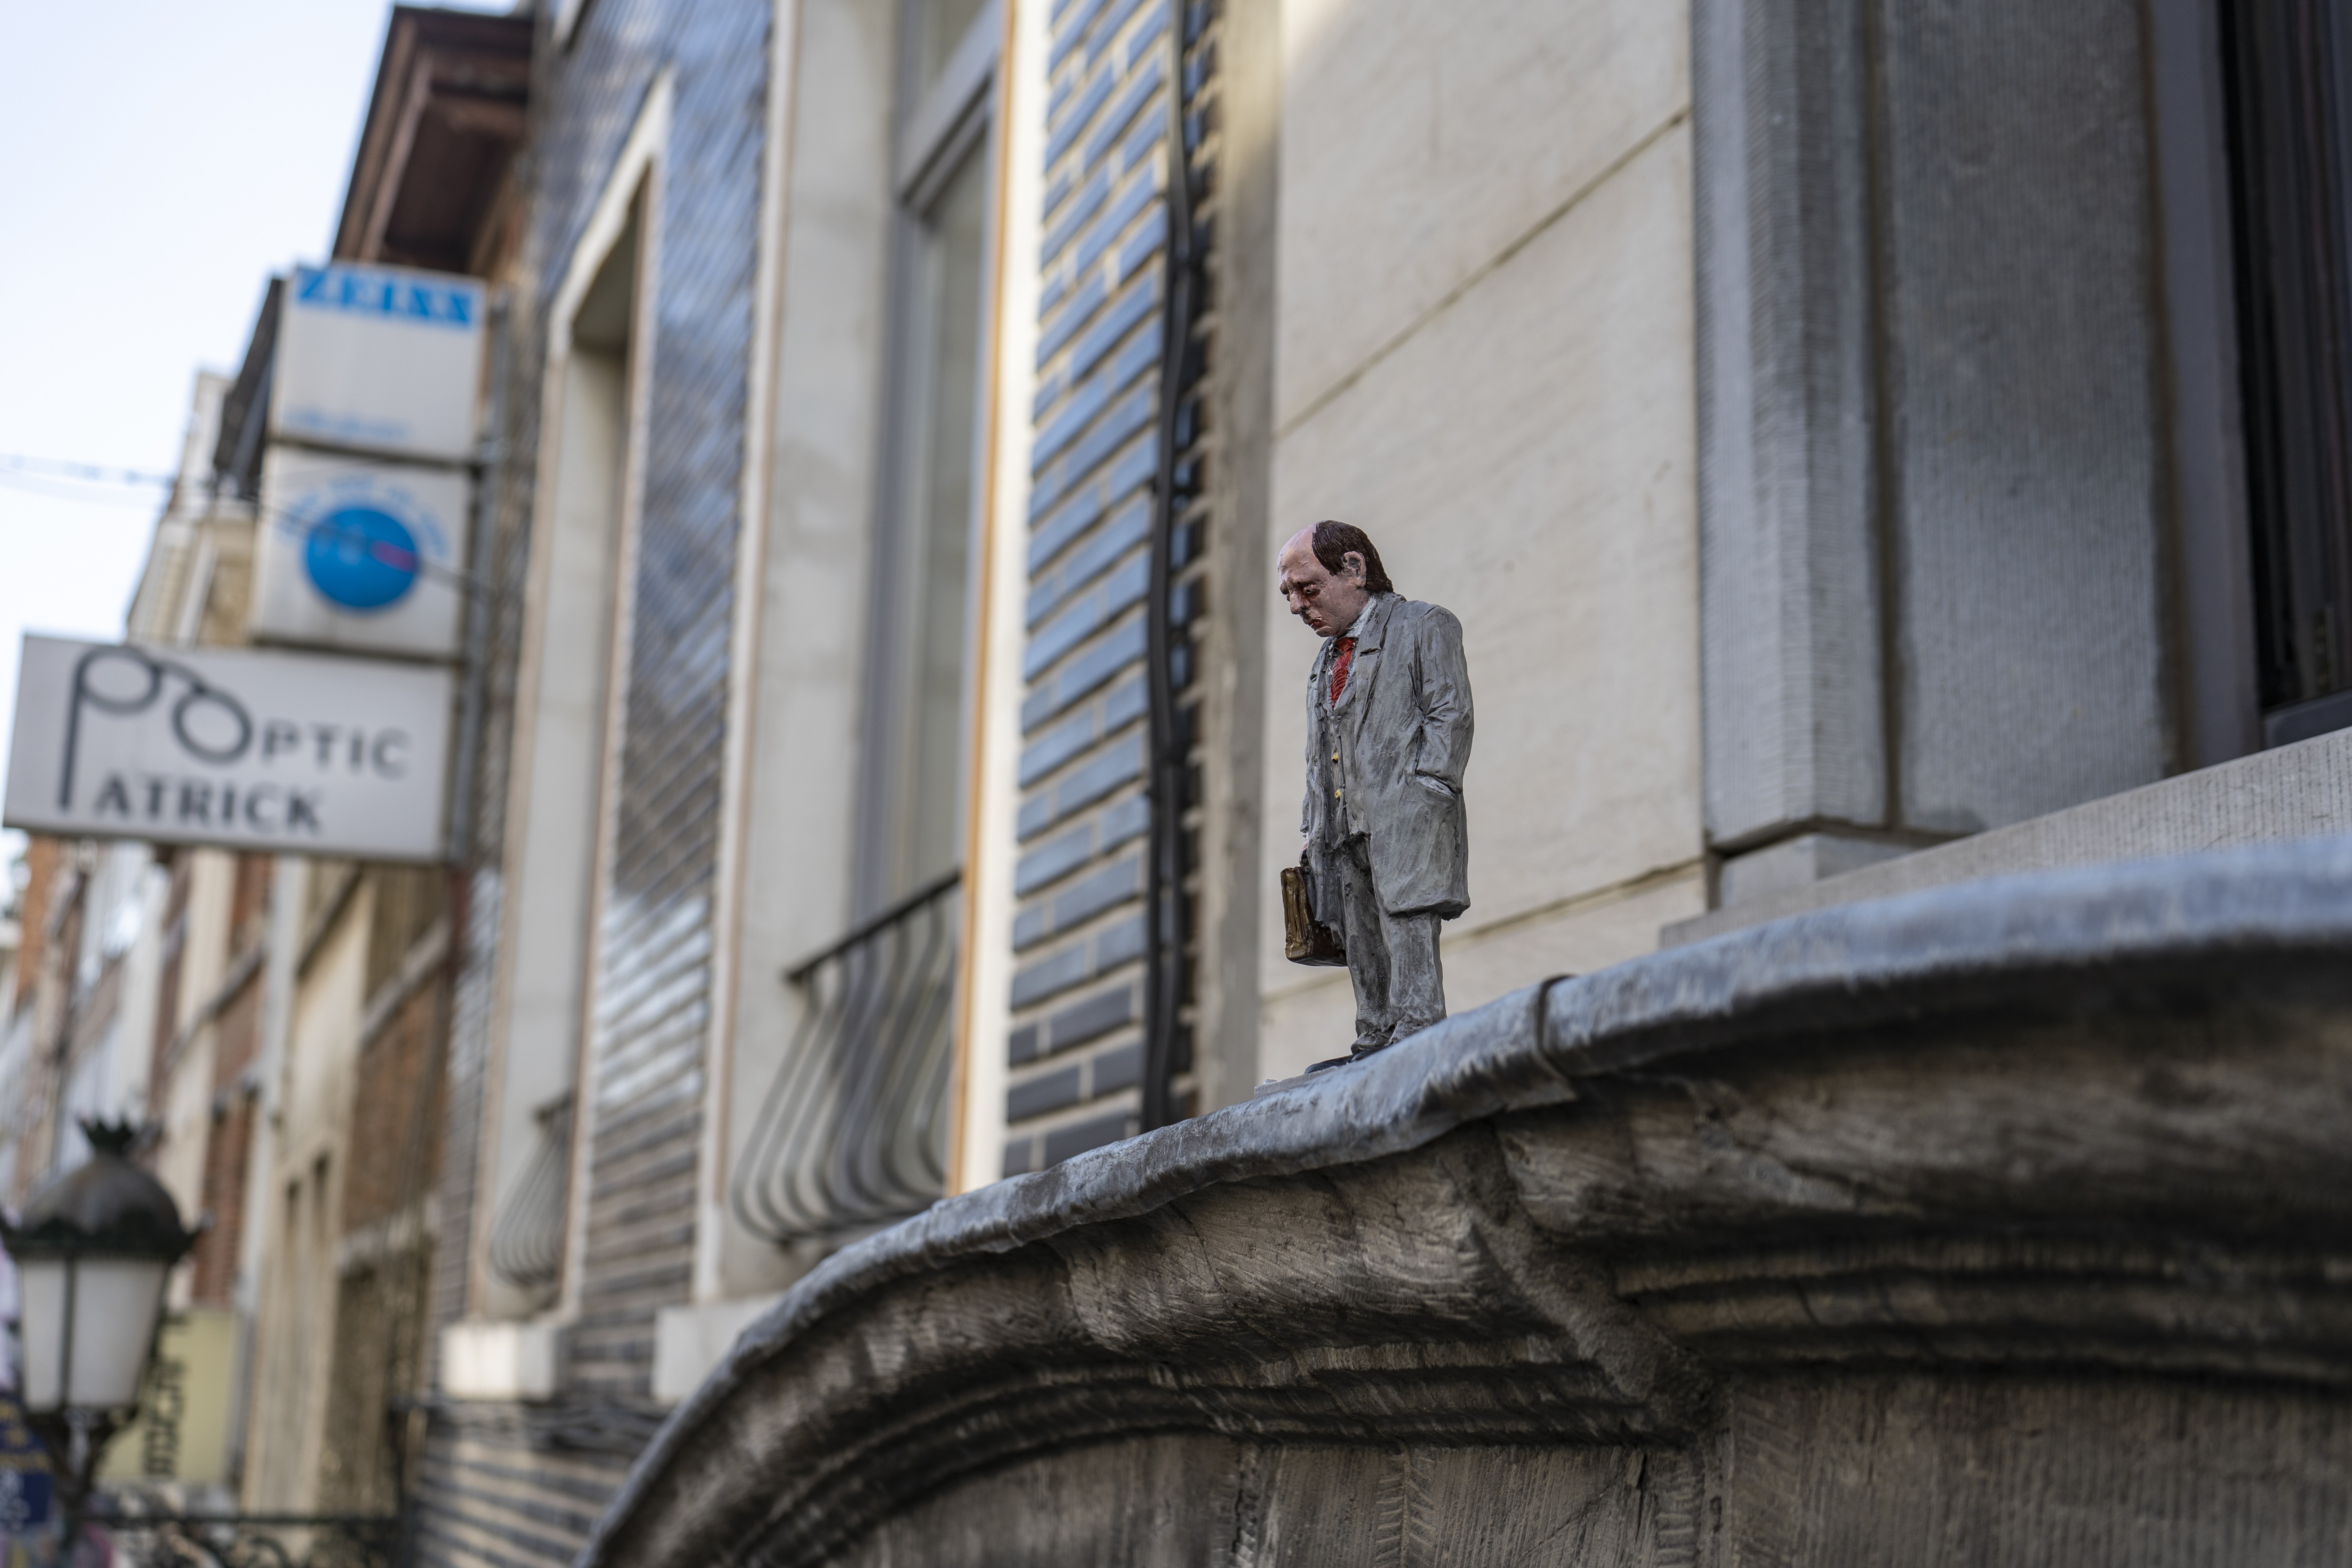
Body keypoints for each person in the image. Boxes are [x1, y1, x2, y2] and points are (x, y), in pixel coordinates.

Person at [1277, 520, 1472, 1066]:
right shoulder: (1325, 660)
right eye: (1289, 594)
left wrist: (1428, 789)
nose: (1297, 606)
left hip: (1404, 815)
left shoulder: (1423, 625)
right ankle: (1374, 1037)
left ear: (1356, 571)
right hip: (1341, 826)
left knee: (1406, 919)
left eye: (1308, 588)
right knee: (1358, 930)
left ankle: (1417, 1029)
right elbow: (1320, 750)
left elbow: (1450, 714)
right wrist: (1314, 824)